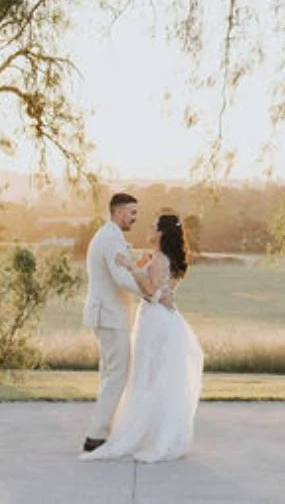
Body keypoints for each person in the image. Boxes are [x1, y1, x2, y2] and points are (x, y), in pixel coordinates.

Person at [83, 211, 204, 464]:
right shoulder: (162, 257)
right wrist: (139, 265)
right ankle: (155, 431)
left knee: (147, 376)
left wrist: (129, 266)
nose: (147, 229)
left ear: (160, 234)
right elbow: (157, 285)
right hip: (162, 316)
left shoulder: (160, 258)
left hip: (155, 319)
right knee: (155, 375)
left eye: (151, 226)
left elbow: (149, 289)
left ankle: (143, 433)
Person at [81, 191, 166, 453]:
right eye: (132, 213)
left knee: (111, 374)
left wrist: (137, 267)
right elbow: (120, 278)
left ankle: (100, 432)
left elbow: (124, 271)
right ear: (118, 213)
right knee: (116, 376)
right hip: (109, 316)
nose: (134, 218)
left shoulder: (110, 236)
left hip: (109, 316)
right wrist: (153, 294)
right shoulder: (110, 239)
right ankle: (96, 436)